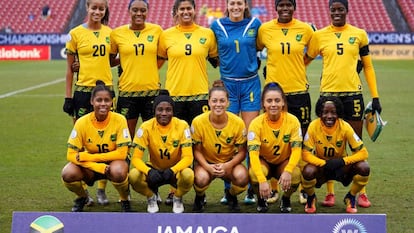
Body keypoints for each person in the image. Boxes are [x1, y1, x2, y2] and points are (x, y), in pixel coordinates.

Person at [304, 0, 382, 208]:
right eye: (333, 10)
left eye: (340, 9)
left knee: (355, 143)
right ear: (329, 11)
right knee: (326, 144)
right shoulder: (319, 36)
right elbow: (305, 60)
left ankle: (359, 193)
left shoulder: (359, 34)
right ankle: (330, 193)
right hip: (328, 95)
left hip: (353, 95)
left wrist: (375, 97)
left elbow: (368, 66)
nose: (337, 13)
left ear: (347, 11)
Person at [157, 0, 218, 203]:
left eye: (188, 8)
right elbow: (155, 61)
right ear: (176, 12)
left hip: (200, 97)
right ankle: (176, 190)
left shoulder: (207, 34)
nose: (186, 11)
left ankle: (201, 191)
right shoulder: (166, 35)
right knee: (177, 147)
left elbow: (218, 60)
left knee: (199, 146)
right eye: (181, 9)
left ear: (194, 10)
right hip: (175, 98)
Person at [257, 0, 315, 205]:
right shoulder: (265, 29)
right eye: (280, 5)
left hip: (299, 92)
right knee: (273, 140)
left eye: (288, 5)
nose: (284, 9)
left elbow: (312, 52)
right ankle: (273, 188)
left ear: (294, 7)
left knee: (302, 140)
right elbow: (255, 50)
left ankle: (301, 187)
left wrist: (299, 66)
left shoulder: (306, 29)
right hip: (274, 94)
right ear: (275, 8)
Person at [210, 0, 262, 206]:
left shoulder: (255, 24)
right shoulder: (217, 26)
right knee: (229, 139)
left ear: (244, 5)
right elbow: (210, 52)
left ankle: (251, 188)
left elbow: (260, 47)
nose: (236, 7)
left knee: (250, 138)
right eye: (232, 3)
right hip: (228, 86)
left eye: (239, 3)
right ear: (228, 5)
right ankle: (227, 188)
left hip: (250, 85)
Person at [63, 0, 112, 207]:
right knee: (83, 143)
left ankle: (101, 189)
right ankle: (83, 193)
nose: (98, 11)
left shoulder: (111, 33)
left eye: (101, 8)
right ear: (88, 8)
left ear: (105, 10)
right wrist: (68, 97)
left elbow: (113, 60)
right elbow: (69, 70)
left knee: (107, 142)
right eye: (94, 7)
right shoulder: (75, 34)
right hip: (83, 92)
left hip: (106, 91)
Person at [61, 80, 132, 212]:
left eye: (107, 100)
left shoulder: (120, 119)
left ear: (112, 102)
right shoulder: (82, 122)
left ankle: (124, 199)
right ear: (92, 102)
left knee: (118, 171)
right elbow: (70, 155)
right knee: (68, 173)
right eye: (99, 100)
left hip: (113, 162)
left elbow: (122, 153)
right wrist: (97, 166)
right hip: (91, 166)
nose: (103, 104)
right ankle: (82, 197)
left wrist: (89, 157)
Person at [128, 90, 194, 213]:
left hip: (175, 171)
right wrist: (149, 171)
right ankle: (151, 196)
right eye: (160, 109)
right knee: (133, 176)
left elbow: (188, 157)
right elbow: (136, 158)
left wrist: (173, 170)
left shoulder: (182, 126)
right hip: (154, 169)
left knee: (188, 175)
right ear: (154, 111)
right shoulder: (146, 127)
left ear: (173, 111)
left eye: (168, 110)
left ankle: (177, 197)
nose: (164, 113)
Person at [301, 96, 370, 213]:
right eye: (325, 112)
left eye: (333, 112)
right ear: (319, 113)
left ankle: (351, 196)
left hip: (341, 168)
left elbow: (363, 153)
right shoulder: (313, 126)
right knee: (307, 171)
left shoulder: (345, 127)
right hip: (322, 168)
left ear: (338, 113)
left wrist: (342, 161)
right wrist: (323, 163)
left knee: (364, 167)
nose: (329, 116)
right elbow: (305, 154)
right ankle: (311, 197)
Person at [192, 80, 248, 213]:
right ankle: (199, 197)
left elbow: (241, 152)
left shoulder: (238, 123)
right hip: (207, 163)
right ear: (209, 102)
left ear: (228, 103)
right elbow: (197, 151)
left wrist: (227, 165)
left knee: (242, 177)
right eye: (215, 101)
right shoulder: (198, 122)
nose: (218, 104)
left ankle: (231, 195)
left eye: (222, 101)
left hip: (228, 163)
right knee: (200, 178)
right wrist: (207, 167)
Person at [110, 0, 163, 137]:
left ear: (147, 11)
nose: (139, 13)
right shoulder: (117, 33)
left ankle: (152, 160)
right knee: (127, 136)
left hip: (151, 91)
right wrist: (128, 61)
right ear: (129, 11)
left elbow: (162, 56)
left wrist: (151, 67)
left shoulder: (157, 30)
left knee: (154, 136)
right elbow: (110, 60)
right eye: (135, 10)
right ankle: (126, 159)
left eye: (143, 10)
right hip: (127, 93)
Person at [247, 82, 302, 213]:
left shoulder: (293, 121)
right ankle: (261, 199)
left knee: (295, 175)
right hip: (264, 161)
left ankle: (286, 199)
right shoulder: (256, 123)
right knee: (254, 174)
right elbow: (253, 155)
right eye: (269, 101)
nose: (273, 104)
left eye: (277, 100)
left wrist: (288, 170)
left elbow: (296, 150)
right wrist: (262, 180)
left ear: (283, 102)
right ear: (263, 104)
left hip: (283, 162)